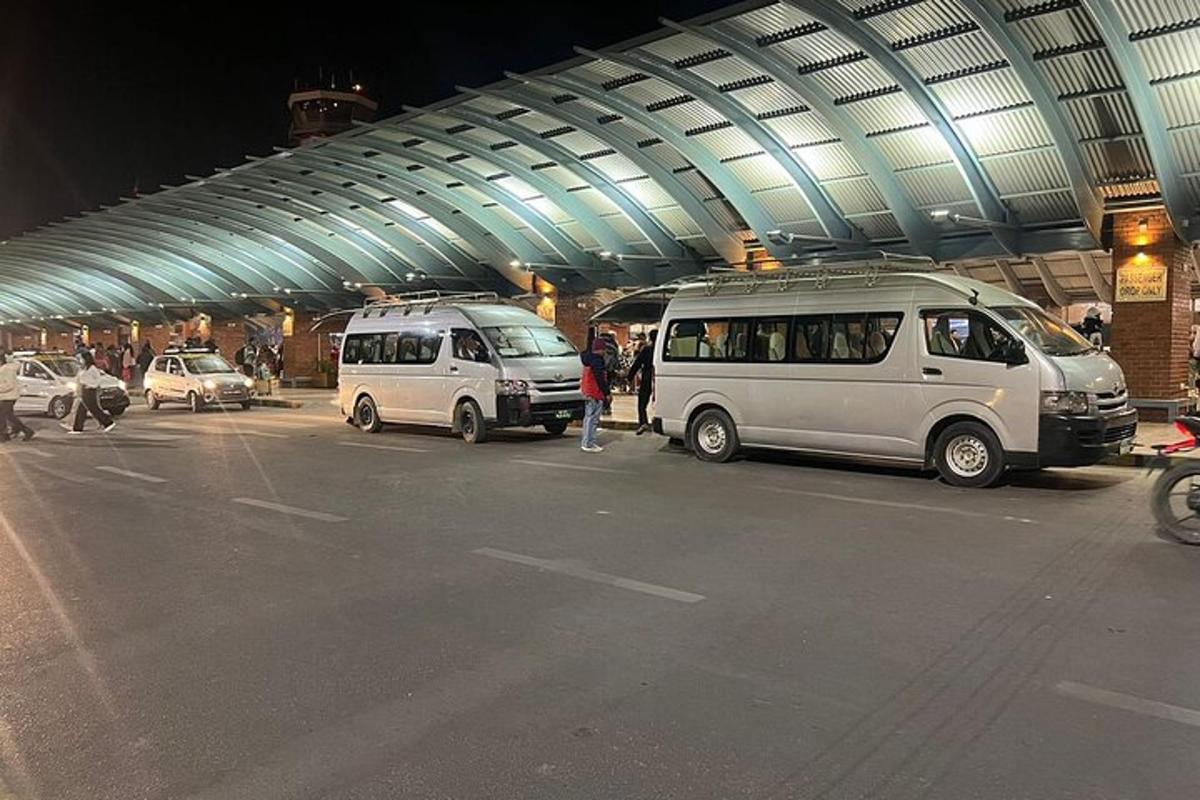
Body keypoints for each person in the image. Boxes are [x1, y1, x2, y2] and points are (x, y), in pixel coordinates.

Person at [66, 351, 116, 434]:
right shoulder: (84, 368)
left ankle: (108, 423)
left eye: (81, 358)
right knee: (81, 409)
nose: (80, 360)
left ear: (86, 359)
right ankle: (77, 428)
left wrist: (90, 385)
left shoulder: (92, 369)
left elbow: (98, 380)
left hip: (90, 391)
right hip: (84, 390)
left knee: (94, 409)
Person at [579, 337, 610, 453]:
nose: (605, 351)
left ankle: (586, 442)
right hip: (595, 392)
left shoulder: (587, 359)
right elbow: (600, 378)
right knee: (593, 419)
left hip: (587, 391)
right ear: (600, 349)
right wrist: (606, 392)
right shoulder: (597, 361)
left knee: (588, 418)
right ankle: (589, 443)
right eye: (604, 349)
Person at [0, 349, 35, 442]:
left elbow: (9, 384)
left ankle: (25, 431)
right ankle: (10, 432)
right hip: (8, 395)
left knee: (5, 415)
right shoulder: (7, 368)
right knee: (7, 415)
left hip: (8, 396)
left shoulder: (6, 369)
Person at [626, 329, 657, 435]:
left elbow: (637, 364)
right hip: (660, 378)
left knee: (642, 402)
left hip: (647, 377)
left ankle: (643, 422)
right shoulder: (663, 349)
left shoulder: (647, 349)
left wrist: (629, 377)